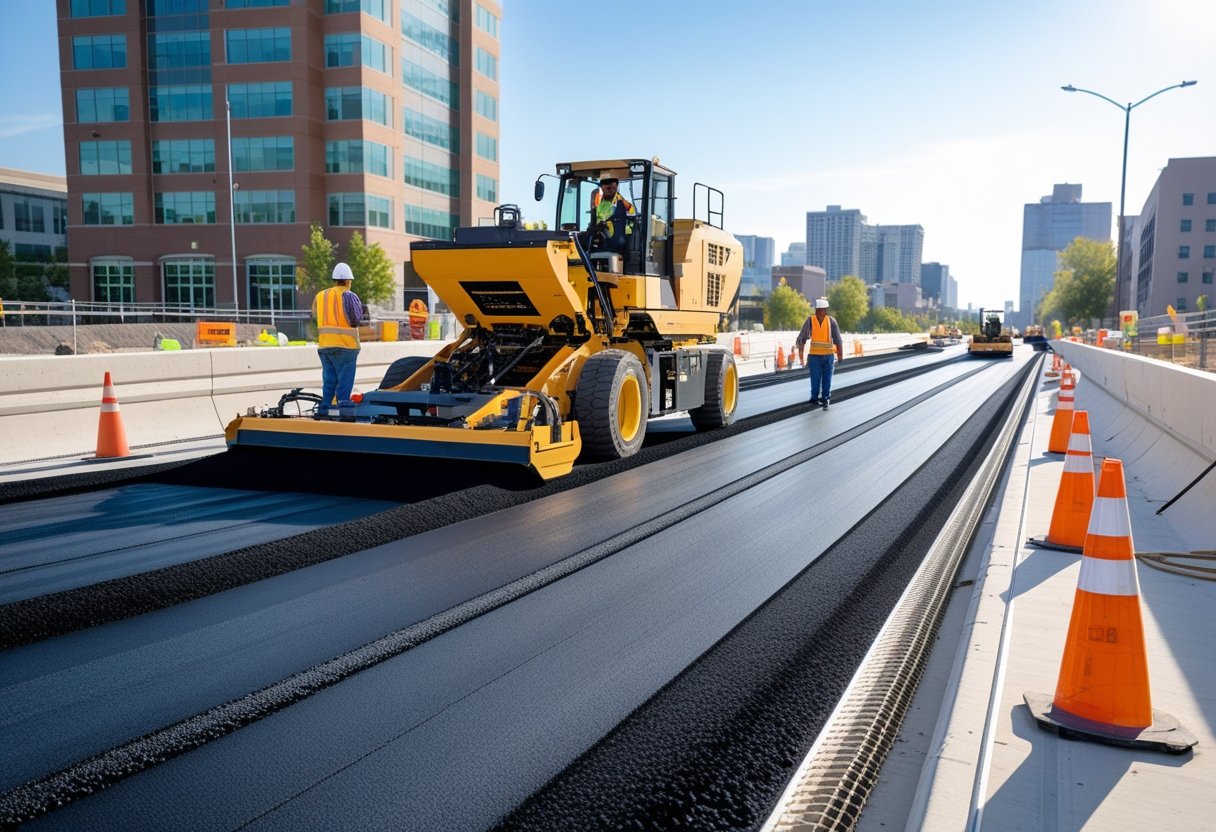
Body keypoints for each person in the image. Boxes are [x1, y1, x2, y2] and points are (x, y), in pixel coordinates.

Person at [313, 261, 363, 417]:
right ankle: (343, 412)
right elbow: (355, 319)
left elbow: (315, 315)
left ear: (334, 280)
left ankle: (324, 411)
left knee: (329, 381)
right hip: (346, 347)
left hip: (325, 346)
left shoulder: (321, 296)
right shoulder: (348, 295)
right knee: (344, 381)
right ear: (348, 281)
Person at [795, 297, 844, 410]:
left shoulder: (831, 321)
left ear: (824, 310)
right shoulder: (811, 321)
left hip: (827, 356)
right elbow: (801, 339)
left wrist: (840, 355)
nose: (819, 311)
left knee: (825, 379)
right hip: (816, 356)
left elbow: (838, 339)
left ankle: (824, 398)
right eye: (818, 309)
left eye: (820, 309)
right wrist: (801, 356)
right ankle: (816, 397)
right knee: (817, 378)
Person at [580, 177, 635, 254]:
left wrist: (607, 226)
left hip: (619, 240)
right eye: (605, 184)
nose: (609, 189)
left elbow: (632, 223)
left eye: (612, 185)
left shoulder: (623, 204)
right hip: (603, 239)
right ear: (601, 187)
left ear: (617, 186)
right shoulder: (600, 205)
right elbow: (596, 221)